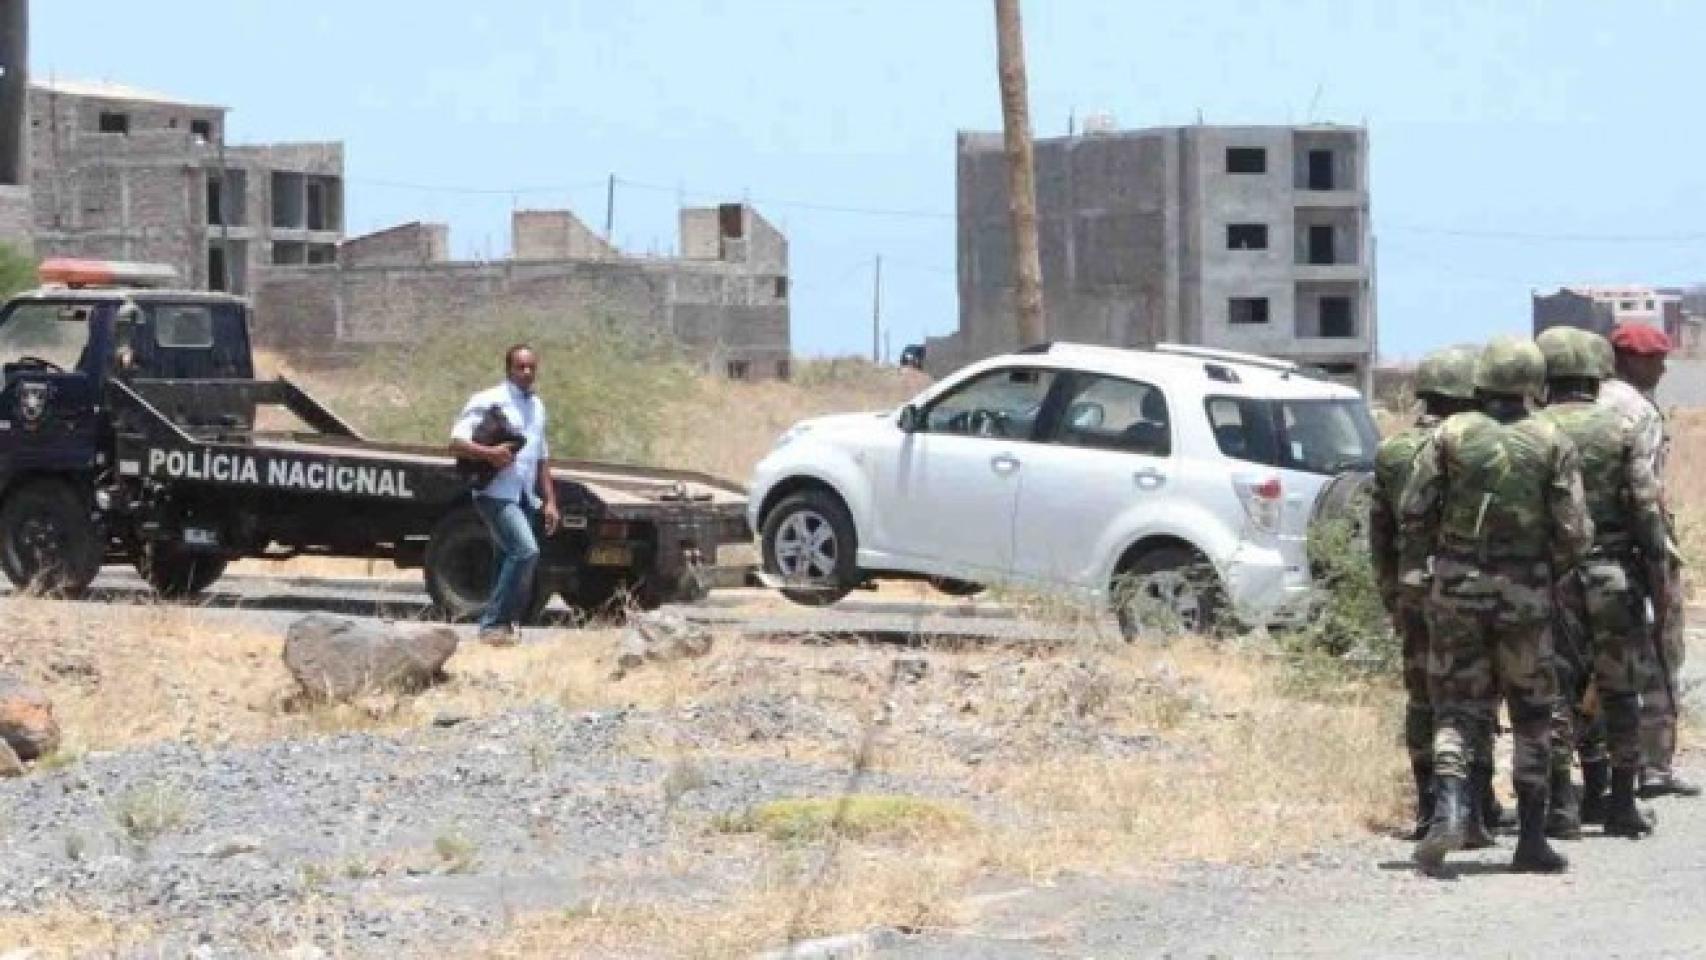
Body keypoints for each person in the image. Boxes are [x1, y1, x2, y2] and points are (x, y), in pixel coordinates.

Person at [1401, 335, 1592, 876]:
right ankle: (1531, 840)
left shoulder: (1450, 434)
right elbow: (1575, 531)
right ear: (1532, 382)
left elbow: (1414, 509)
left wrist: (1441, 558)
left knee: (1456, 708)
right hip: (1526, 594)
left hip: (1456, 590)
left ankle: (1449, 811)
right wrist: (1544, 568)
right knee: (1532, 713)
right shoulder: (1552, 439)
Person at [1536, 327, 1664, 838]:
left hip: (1553, 577)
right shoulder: (1622, 427)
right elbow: (1645, 505)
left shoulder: (1532, 429)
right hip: (1613, 574)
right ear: (1596, 374)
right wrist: (1656, 570)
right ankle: (1621, 803)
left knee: (1557, 690)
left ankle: (1561, 804)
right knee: (1619, 689)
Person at [1369, 345, 1489, 844]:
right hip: (1467, 589)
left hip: (1414, 589)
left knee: (1423, 700)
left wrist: (1392, 595)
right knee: (1474, 698)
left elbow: (1380, 534)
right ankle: (1475, 809)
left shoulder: (1393, 451)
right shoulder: (1476, 446)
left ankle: (1427, 808)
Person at [1599, 323, 1697, 799]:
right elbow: (1647, 493)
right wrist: (1659, 558)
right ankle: (1654, 764)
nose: (1662, 368)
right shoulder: (1639, 411)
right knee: (1659, 651)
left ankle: (1598, 768)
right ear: (1628, 360)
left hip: (1583, 552)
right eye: (1654, 360)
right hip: (1637, 548)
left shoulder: (1580, 405)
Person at [449, 344, 560, 646]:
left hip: (523, 495)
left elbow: (541, 457)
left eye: (531, 367)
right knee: (526, 551)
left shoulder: (537, 406)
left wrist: (550, 501)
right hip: (495, 492)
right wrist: (489, 453)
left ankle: (505, 628)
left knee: (505, 559)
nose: (526, 372)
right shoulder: (488, 400)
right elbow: (456, 441)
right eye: (520, 367)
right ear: (508, 369)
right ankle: (493, 623)